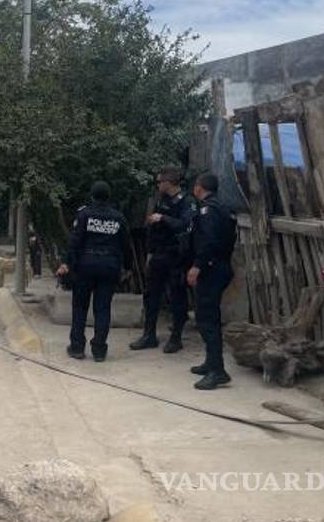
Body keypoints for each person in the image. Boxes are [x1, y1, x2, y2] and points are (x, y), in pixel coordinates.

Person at [57, 181, 130, 362]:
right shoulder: (118, 217)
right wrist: (127, 268)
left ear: (92, 196)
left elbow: (75, 241)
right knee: (103, 309)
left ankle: (77, 348)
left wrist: (66, 262)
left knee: (80, 308)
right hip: (109, 267)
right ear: (108, 197)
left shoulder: (85, 215)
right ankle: (99, 350)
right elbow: (126, 246)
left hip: (85, 267)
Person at [130, 167, 198, 353]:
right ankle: (149, 335)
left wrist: (164, 218)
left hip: (176, 256)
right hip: (159, 254)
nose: (158, 184)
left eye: (160, 181)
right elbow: (153, 231)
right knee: (151, 295)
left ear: (169, 182)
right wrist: (150, 254)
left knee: (177, 297)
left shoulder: (187, 202)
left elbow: (186, 225)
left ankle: (176, 337)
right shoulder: (161, 200)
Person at [186, 172, 238, 390]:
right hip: (220, 266)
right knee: (208, 316)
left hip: (211, 268)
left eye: (195, 186)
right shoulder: (222, 208)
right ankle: (211, 362)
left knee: (207, 318)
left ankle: (218, 371)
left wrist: (197, 265)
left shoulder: (208, 210)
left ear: (199, 188)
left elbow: (208, 241)